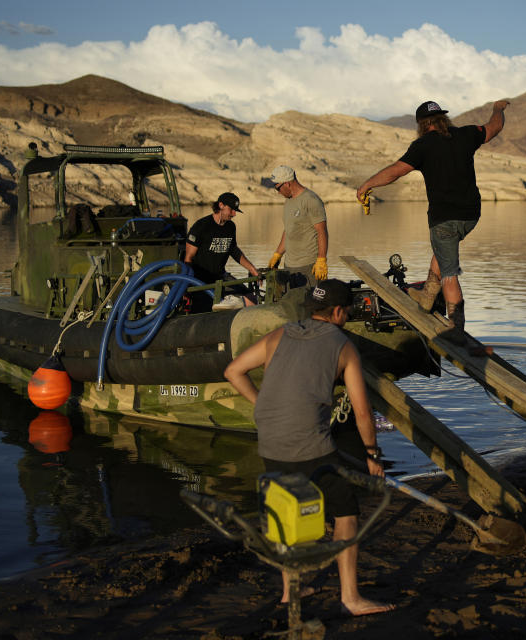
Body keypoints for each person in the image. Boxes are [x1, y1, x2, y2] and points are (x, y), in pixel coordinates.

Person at [223, 279, 394, 617]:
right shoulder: (343, 346)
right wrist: (372, 455)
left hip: (270, 438)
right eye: (347, 311)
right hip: (309, 442)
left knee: (287, 509)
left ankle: (291, 591)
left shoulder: (280, 334)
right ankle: (351, 598)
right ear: (338, 312)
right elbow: (362, 413)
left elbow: (233, 371)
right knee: (346, 512)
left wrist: (262, 406)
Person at [356, 99, 510, 343]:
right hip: (471, 215)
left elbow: (396, 171)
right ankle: (427, 296)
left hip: (444, 218)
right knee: (443, 249)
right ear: (443, 119)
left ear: (421, 124)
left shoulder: (422, 146)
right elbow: (494, 127)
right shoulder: (466, 134)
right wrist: (498, 109)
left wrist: (367, 184)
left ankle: (456, 329)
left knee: (449, 273)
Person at [184, 192, 260, 308]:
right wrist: (185, 287)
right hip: (200, 279)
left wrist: (252, 269)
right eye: (232, 210)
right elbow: (188, 258)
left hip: (220, 276)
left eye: (236, 210)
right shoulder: (201, 226)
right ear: (221, 205)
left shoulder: (231, 227)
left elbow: (234, 250)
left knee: (251, 299)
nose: (234, 214)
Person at [263, 166, 329, 289]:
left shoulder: (310, 200)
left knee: (310, 304)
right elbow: (288, 230)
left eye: (277, 188)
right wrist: (277, 254)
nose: (277, 192)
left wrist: (321, 260)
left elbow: (322, 231)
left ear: (287, 184)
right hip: (290, 266)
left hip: (309, 266)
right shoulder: (288, 201)